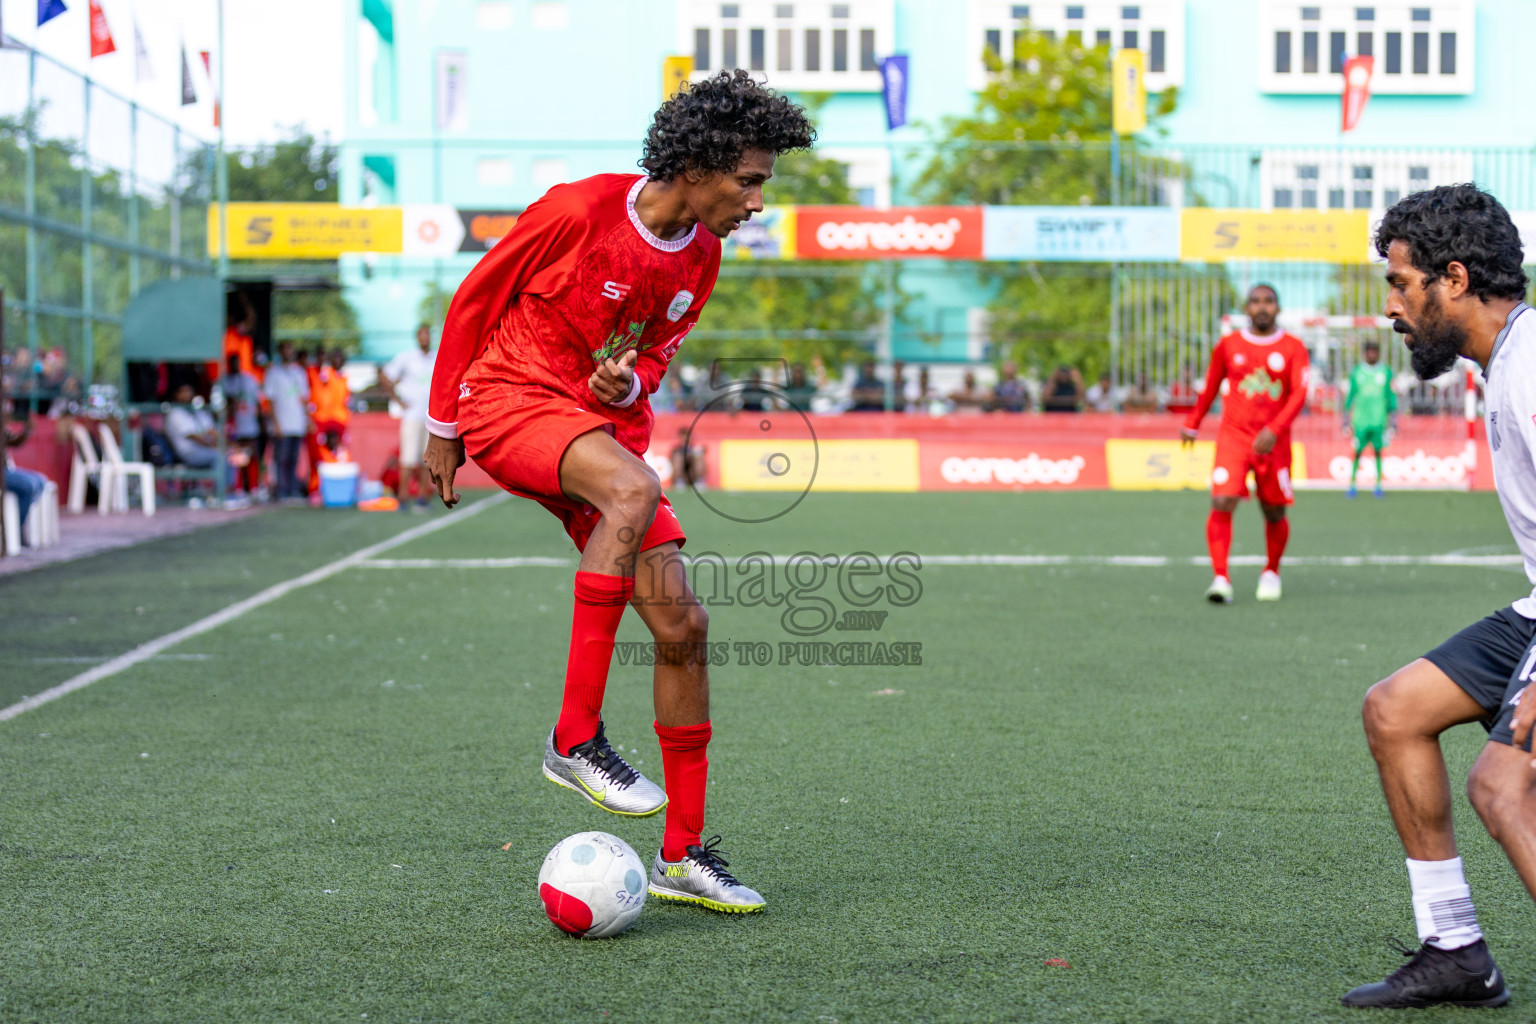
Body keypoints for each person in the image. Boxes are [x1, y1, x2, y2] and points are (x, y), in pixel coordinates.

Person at [422, 69, 813, 915]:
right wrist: (442, 425)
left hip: (593, 434)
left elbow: (651, 364)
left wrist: (621, 384)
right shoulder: (578, 210)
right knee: (633, 492)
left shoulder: (700, 260)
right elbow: (472, 300)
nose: (756, 201)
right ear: (698, 163)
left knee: (683, 624)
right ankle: (574, 738)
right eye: (748, 180)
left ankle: (683, 854)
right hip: (507, 401)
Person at [1344, 185, 1536, 1010]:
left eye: (1399, 283)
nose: (1390, 307)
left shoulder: (1530, 370)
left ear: (1452, 278)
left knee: (1502, 786)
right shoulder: (1506, 362)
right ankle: (1456, 949)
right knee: (1395, 711)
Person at [1180, 284, 1309, 604]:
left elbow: (1298, 395)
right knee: (1222, 501)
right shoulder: (1229, 344)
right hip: (1234, 437)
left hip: (1274, 443)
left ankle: (1271, 571)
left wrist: (1275, 428)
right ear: (1246, 308)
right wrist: (1192, 422)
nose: (1262, 307)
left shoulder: (1293, 347)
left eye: (1268, 301)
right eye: (1255, 302)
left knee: (1274, 511)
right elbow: (1211, 386)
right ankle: (1220, 577)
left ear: (1278, 308)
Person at [379, 325, 437, 512]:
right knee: (407, 459)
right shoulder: (407, 358)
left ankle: (421, 497)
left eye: (427, 335)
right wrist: (397, 400)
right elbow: (385, 375)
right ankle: (403, 497)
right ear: (417, 338)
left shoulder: (436, 357)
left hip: (430, 417)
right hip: (412, 416)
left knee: (425, 459)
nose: (425, 338)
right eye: (421, 335)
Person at [1345, 340, 1397, 499]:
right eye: (1369, 351)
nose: (1372, 354)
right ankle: (1352, 484)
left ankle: (1378, 485)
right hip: (1360, 420)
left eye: (1375, 351)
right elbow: (1350, 395)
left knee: (1378, 452)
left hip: (1379, 420)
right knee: (1357, 451)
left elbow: (1391, 396)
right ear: (1365, 353)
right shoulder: (1357, 372)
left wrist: (1393, 420)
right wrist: (1345, 418)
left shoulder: (1385, 372)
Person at [263, 342, 310, 501]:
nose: (288, 351)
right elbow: (270, 400)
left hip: (297, 424)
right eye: (285, 348)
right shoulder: (273, 373)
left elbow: (303, 398)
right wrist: (275, 423)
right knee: (281, 459)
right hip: (281, 424)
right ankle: (281, 489)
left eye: (291, 348)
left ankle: (291, 489)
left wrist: (307, 419)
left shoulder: (299, 372)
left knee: (293, 459)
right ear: (280, 351)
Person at [218, 353, 264, 496]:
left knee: (251, 454)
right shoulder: (223, 382)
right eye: (232, 362)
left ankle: (253, 486)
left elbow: (258, 402)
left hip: (249, 423)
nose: (235, 365)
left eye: (237, 362)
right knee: (235, 456)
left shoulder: (249, 379)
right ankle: (237, 488)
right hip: (233, 425)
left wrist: (260, 421)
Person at [164, 383, 222, 469]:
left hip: (204, 449)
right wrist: (214, 446)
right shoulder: (175, 413)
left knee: (229, 454)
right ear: (176, 394)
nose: (187, 394)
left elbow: (211, 431)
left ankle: (229, 483)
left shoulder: (197, 410)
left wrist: (229, 445)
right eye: (183, 391)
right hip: (188, 452)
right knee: (220, 457)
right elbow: (193, 437)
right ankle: (221, 483)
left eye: (189, 391)